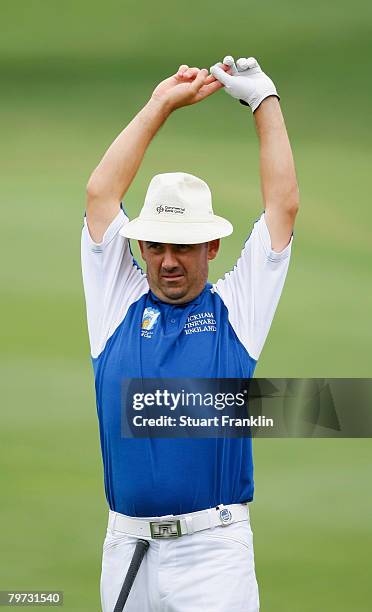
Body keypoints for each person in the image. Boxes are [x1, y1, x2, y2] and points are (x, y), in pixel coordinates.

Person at [81, 55, 299, 612]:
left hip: (213, 554)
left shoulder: (236, 312)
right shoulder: (117, 304)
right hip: (126, 548)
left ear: (211, 248)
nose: (168, 261)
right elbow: (102, 196)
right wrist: (159, 106)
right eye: (156, 246)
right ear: (142, 247)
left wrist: (263, 104)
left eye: (183, 246)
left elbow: (282, 208)